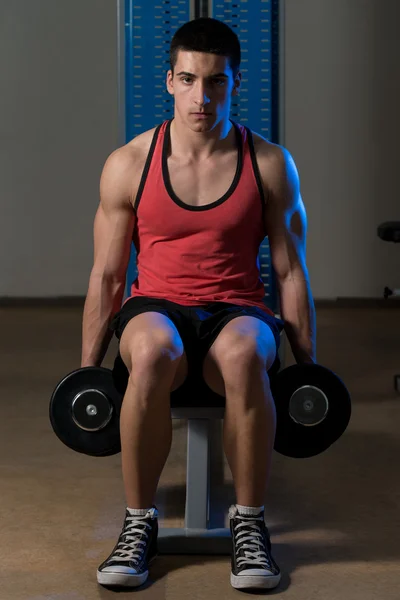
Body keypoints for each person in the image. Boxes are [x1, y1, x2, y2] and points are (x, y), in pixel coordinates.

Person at [81, 17, 316, 592]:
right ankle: (139, 526)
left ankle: (249, 526)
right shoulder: (130, 164)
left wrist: (310, 372)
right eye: (188, 79)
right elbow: (110, 275)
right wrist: (86, 372)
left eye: (215, 82)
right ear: (168, 81)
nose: (201, 96)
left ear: (235, 83)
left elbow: (289, 271)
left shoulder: (268, 165)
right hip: (156, 304)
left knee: (242, 356)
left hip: (239, 308)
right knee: (154, 349)